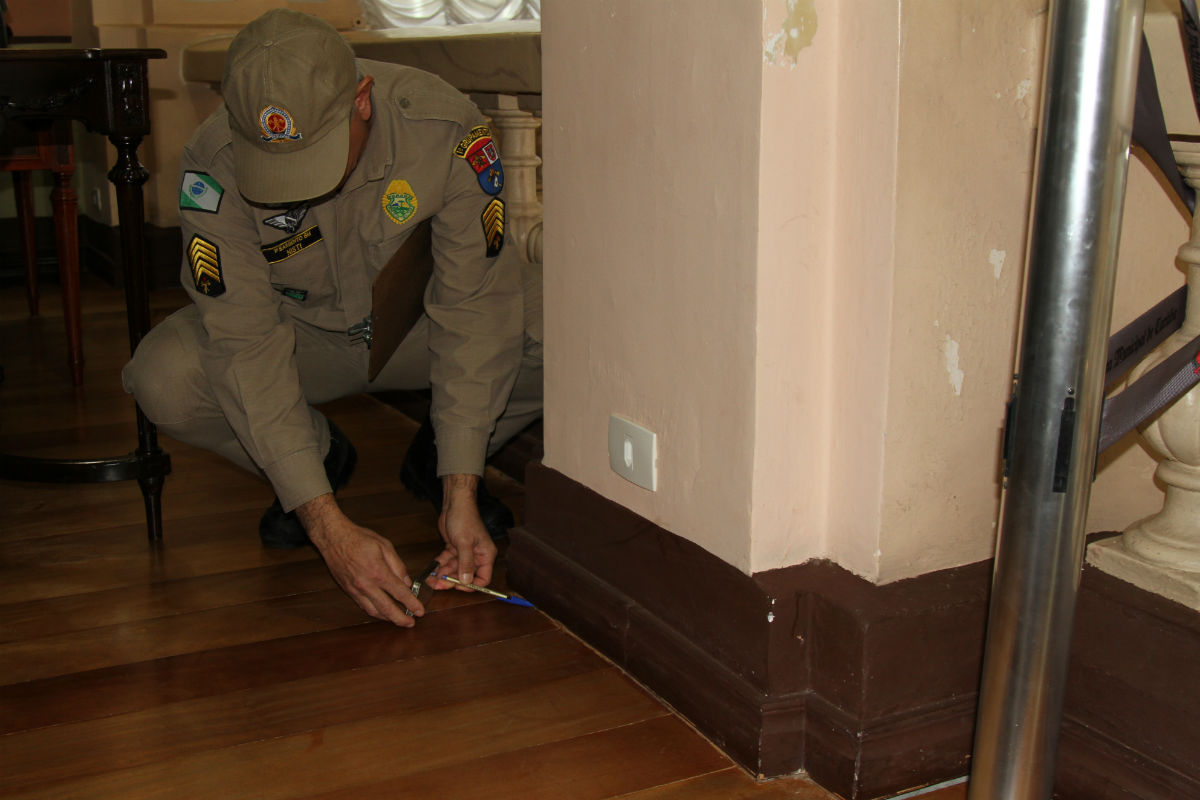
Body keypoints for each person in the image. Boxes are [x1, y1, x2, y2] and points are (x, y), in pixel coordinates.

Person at [122, 8, 543, 627]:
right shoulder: (213, 165)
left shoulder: (444, 127)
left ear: (361, 99)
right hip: (301, 342)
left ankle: (442, 458)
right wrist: (326, 524)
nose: (294, 187)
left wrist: (463, 485)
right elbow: (243, 341)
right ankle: (316, 460)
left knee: (560, 326)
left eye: (315, 156)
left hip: (414, 331)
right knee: (164, 379)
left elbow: (474, 306)